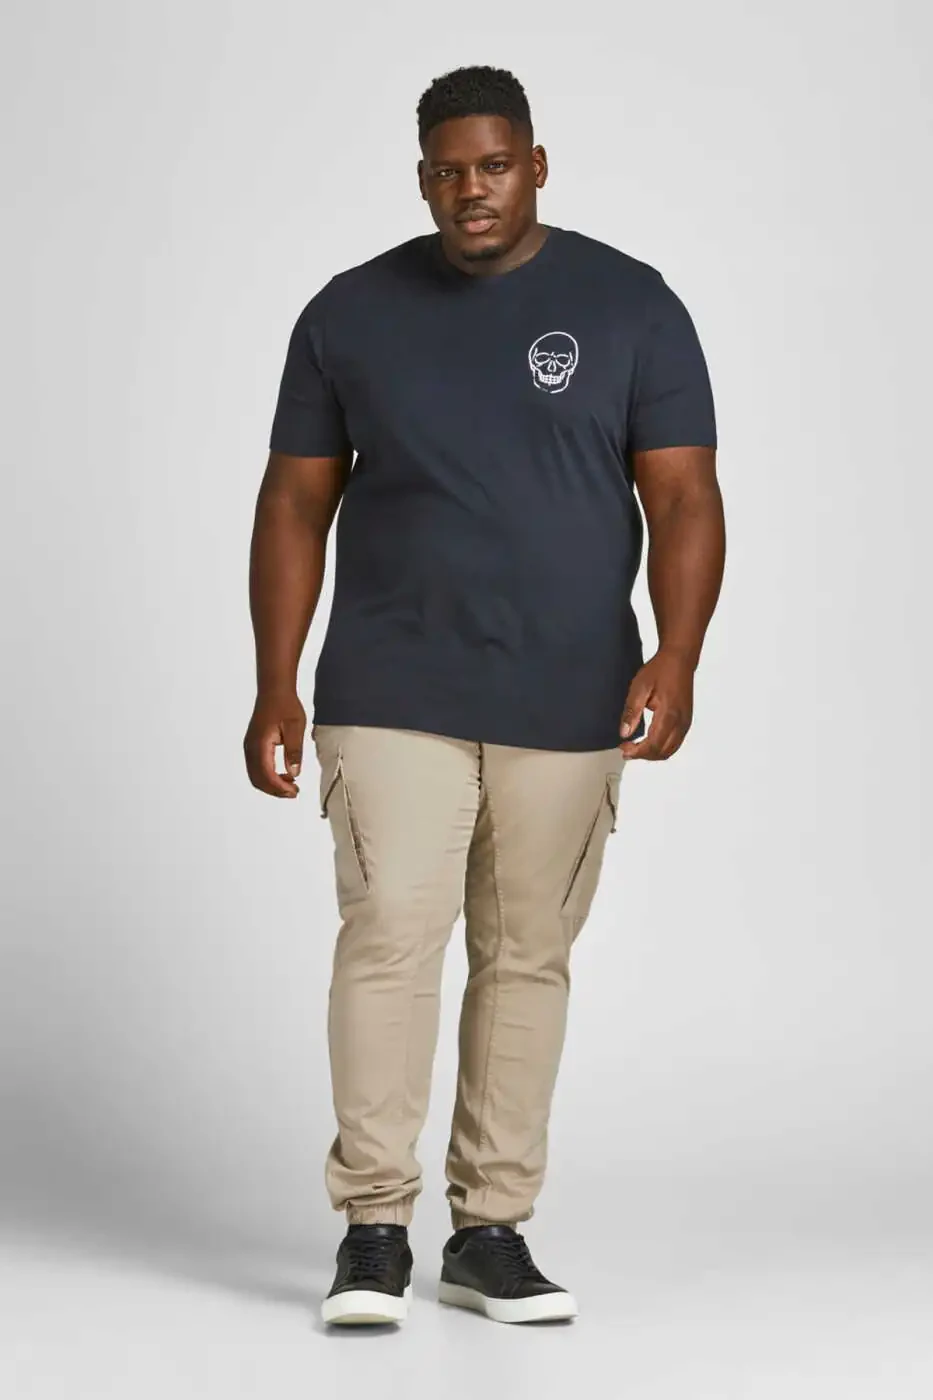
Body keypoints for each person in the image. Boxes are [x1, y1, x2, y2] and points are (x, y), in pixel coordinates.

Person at [244, 63, 724, 1328]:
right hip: (389, 683)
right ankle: (373, 1228)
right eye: (450, 170)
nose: (473, 189)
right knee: (389, 936)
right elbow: (294, 498)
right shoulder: (349, 311)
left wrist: (677, 652)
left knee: (526, 956)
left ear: (537, 165)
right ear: (423, 179)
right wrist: (275, 680)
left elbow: (683, 493)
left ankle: (491, 1231)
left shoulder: (632, 304)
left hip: (570, 691)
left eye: (495, 165)